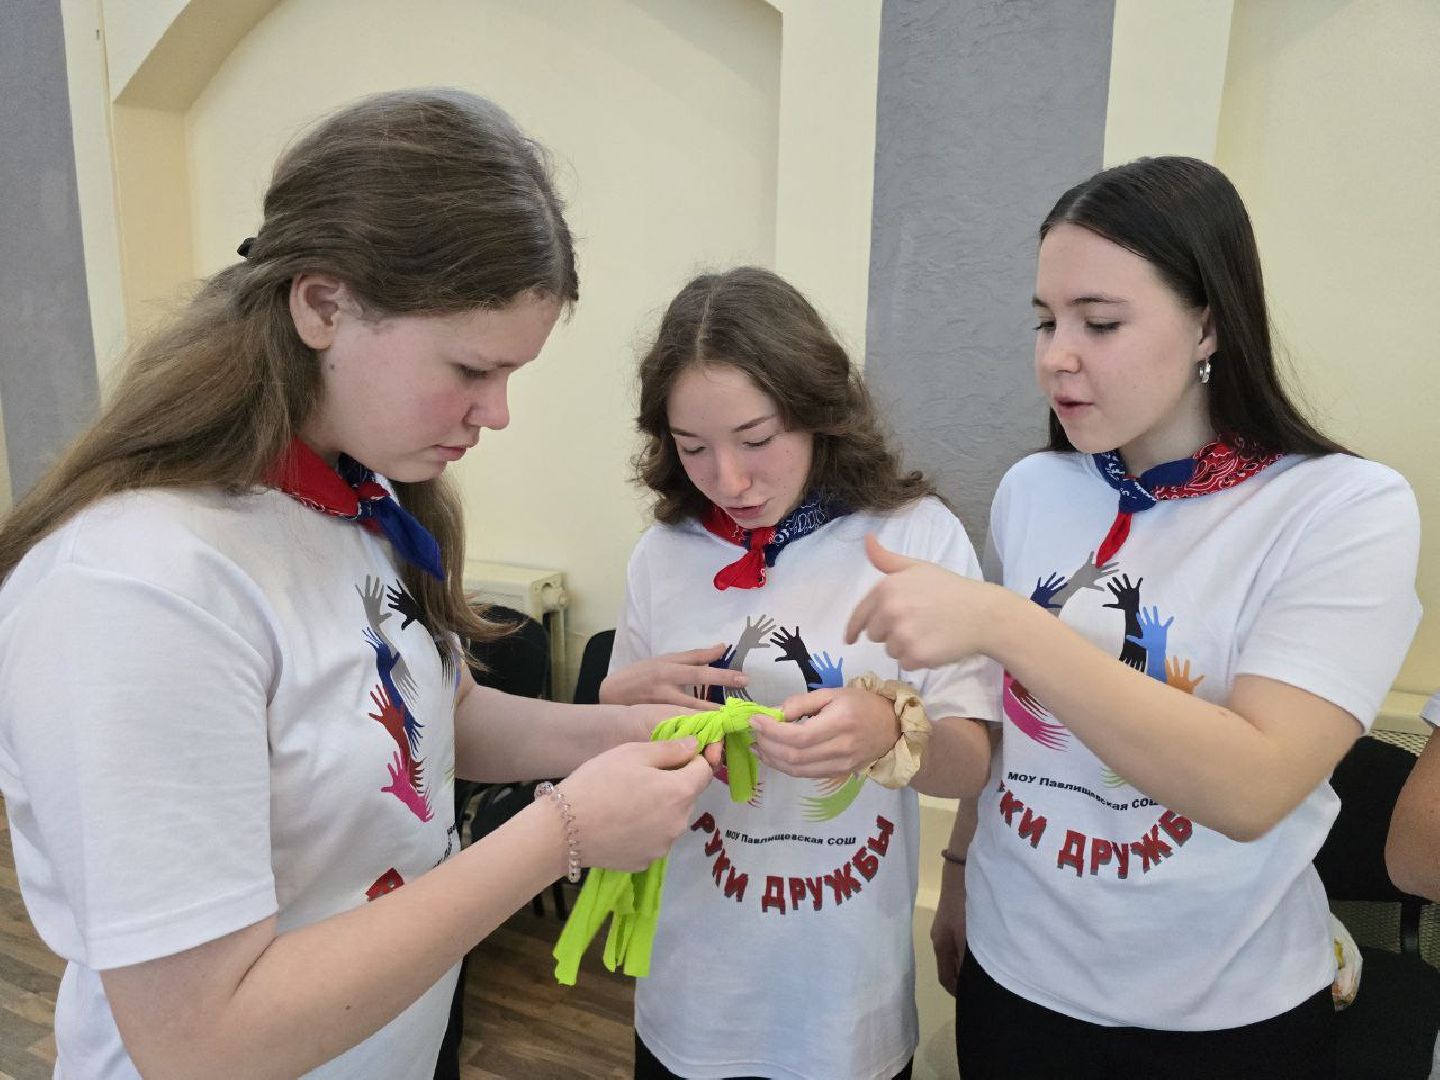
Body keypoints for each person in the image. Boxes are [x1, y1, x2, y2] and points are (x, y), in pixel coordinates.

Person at [0, 89, 711, 1079]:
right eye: (471, 367)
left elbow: (442, 721)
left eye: (512, 374)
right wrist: (566, 832)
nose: (496, 413)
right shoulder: (138, 589)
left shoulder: (362, 503)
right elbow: (203, 1042)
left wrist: (628, 736)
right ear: (322, 303)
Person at [846, 156, 1423, 1078]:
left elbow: (1254, 787)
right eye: (1044, 320)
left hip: (1219, 1018)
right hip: (1019, 977)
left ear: (1209, 321)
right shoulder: (1039, 489)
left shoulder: (1343, 508)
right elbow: (1014, 729)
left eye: (1099, 322)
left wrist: (1005, 620)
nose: (1054, 355)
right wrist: (957, 871)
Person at [597, 266, 998, 1079]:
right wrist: (610, 713)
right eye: (692, 448)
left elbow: (975, 760)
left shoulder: (912, 536)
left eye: (756, 439)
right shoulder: (662, 554)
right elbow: (620, 753)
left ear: (819, 412)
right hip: (691, 992)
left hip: (840, 1004)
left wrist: (892, 730)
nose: (729, 480)